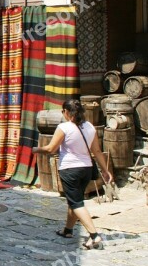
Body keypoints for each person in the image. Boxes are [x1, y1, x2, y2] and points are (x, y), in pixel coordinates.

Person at [33, 99, 113, 249]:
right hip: (86, 169)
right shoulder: (89, 127)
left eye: (63, 112)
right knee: (74, 199)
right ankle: (68, 230)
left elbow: (51, 149)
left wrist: (36, 149)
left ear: (67, 113)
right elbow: (96, 151)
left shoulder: (64, 127)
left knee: (76, 203)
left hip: (70, 169)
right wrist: (105, 170)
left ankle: (94, 235)